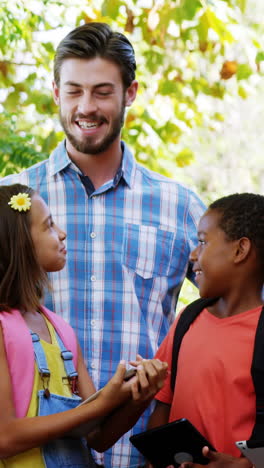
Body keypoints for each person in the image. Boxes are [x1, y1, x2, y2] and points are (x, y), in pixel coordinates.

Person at [0, 22, 205, 467]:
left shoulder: (181, 206)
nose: (85, 107)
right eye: (74, 91)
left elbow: (239, 307)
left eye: (102, 92)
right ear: (55, 92)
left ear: (131, 93)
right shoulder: (11, 204)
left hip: (141, 455)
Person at [0, 182, 168, 468]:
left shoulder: (60, 330)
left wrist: (137, 395)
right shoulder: (3, 327)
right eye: (49, 225)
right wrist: (100, 405)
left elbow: (96, 436)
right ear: (20, 242)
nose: (62, 234)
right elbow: (4, 438)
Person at [147, 192, 264, 468]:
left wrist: (244, 465)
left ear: (240, 250)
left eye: (202, 242)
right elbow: (163, 406)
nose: (192, 254)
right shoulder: (188, 319)